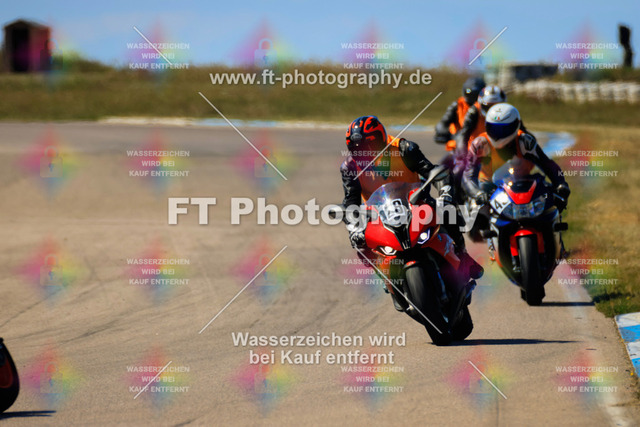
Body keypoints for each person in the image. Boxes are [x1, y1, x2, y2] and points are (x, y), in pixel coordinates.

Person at [340, 115, 484, 295]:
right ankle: (386, 277)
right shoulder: (349, 167)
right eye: (358, 148)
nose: (366, 151)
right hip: (379, 214)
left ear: (382, 138)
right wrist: (353, 229)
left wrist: (445, 192)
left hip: (416, 202)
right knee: (361, 244)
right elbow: (350, 202)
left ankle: (463, 254)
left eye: (371, 144)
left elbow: (432, 171)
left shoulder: (404, 148)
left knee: (448, 210)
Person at [462, 103, 570, 224]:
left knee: (552, 204)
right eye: (493, 129)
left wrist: (560, 184)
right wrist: (477, 193)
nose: (498, 135)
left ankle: (552, 231)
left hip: (522, 183)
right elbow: (468, 175)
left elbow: (547, 164)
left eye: (504, 130)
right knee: (477, 216)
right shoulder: (479, 144)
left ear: (516, 125)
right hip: (489, 187)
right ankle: (486, 232)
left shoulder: (525, 141)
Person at [434, 77, 486, 151]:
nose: (473, 96)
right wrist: (443, 133)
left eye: (476, 93)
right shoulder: (458, 105)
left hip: (483, 146)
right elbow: (443, 122)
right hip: (460, 147)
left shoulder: (488, 105)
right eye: (469, 92)